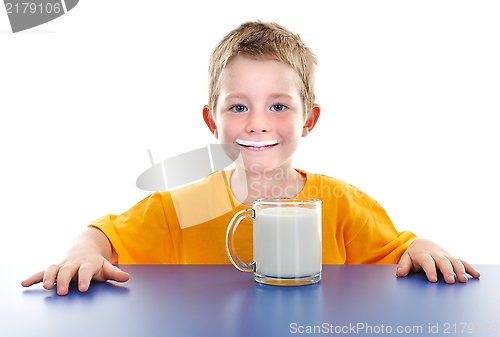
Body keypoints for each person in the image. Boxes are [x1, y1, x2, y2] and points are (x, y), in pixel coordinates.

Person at [22, 21, 480, 296]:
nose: (258, 124)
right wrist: (81, 252)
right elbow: (103, 234)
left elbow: (397, 250)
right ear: (211, 120)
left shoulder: (339, 203)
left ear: (309, 119)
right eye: (238, 106)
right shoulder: (186, 208)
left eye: (278, 106)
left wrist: (423, 247)